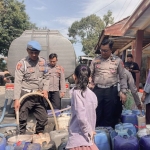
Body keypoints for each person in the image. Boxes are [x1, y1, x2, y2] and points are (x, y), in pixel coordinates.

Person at [90, 38, 127, 128]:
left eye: (105, 51)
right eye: (101, 50)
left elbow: (123, 77)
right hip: (98, 90)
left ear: (111, 50)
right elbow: (89, 74)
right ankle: (96, 133)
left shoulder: (117, 61)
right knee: (97, 113)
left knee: (109, 114)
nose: (103, 52)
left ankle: (107, 134)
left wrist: (123, 91)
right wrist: (90, 83)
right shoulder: (95, 60)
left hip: (111, 90)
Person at [14, 40, 49, 134]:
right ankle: (22, 139)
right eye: (31, 52)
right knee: (22, 119)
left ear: (39, 52)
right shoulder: (22, 64)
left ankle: (38, 136)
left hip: (39, 94)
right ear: (27, 51)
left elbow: (46, 77)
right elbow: (17, 82)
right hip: (26, 95)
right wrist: (16, 99)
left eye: (36, 52)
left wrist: (45, 89)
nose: (34, 54)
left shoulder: (43, 62)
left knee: (43, 119)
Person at [66, 64, 98, 150]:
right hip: (89, 140)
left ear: (74, 76)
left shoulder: (76, 93)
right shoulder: (93, 95)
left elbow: (81, 117)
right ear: (89, 78)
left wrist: (88, 131)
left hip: (79, 140)